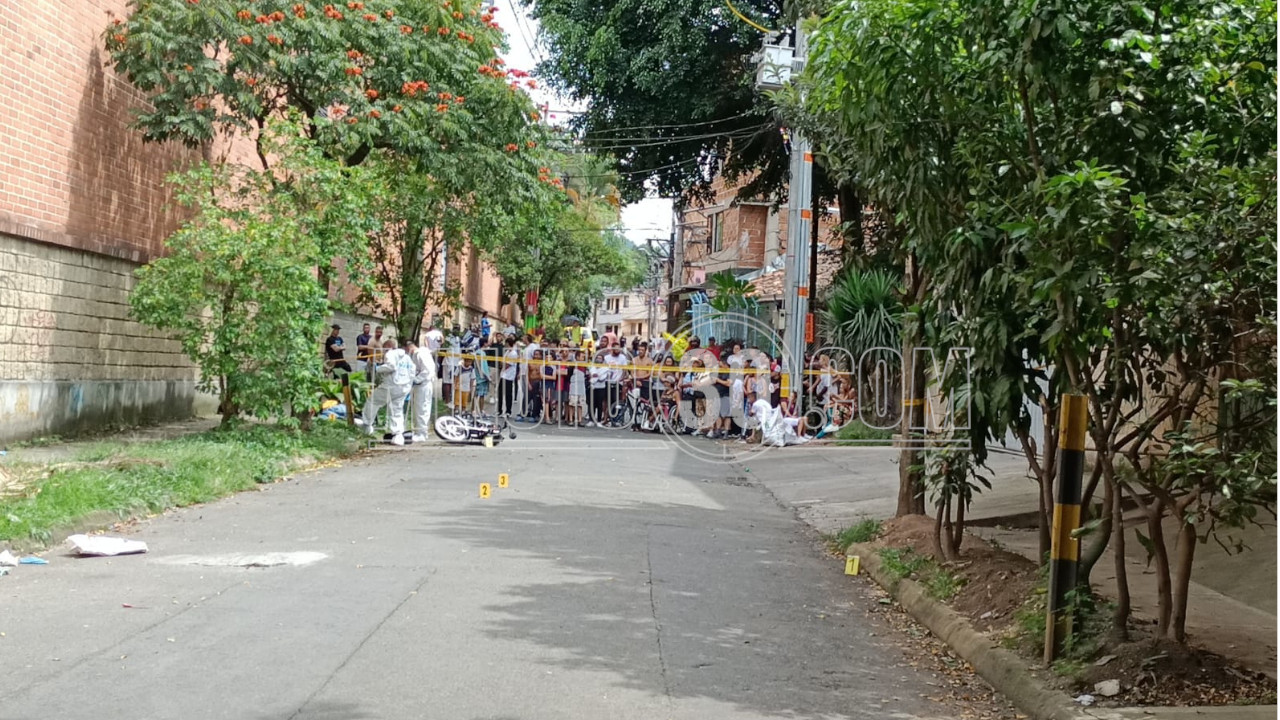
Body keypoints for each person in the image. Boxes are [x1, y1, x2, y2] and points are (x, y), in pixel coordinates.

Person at [361, 338, 414, 445]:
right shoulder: (407, 357)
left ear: (388, 347)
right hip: (403, 387)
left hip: (390, 386)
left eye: (384, 350)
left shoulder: (390, 354)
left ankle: (367, 426)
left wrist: (378, 369)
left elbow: (391, 367)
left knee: (373, 401)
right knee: (397, 410)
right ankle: (398, 436)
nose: (383, 353)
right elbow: (412, 371)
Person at [405, 339, 436, 442]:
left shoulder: (420, 354)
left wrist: (415, 379)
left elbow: (426, 371)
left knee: (421, 409)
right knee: (421, 409)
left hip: (423, 384)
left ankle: (421, 433)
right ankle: (421, 431)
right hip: (422, 385)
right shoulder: (420, 354)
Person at [603, 343, 628, 427]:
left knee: (616, 400)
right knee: (607, 401)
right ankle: (606, 419)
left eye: (618, 349)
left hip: (618, 383)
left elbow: (625, 370)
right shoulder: (607, 358)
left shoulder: (622, 358)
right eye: (615, 349)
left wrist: (622, 378)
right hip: (608, 381)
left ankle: (614, 418)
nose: (617, 350)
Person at [498, 337, 518, 417]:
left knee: (508, 394)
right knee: (500, 393)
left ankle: (508, 411)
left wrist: (503, 366)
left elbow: (508, 364)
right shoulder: (506, 352)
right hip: (503, 375)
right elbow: (502, 362)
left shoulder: (513, 353)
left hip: (509, 376)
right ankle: (499, 410)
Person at [568, 349, 588, 427]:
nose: (583, 358)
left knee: (580, 404)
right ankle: (570, 419)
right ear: (577, 357)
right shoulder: (573, 365)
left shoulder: (585, 366)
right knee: (572, 404)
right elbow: (569, 374)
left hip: (581, 387)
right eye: (582, 357)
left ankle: (580, 420)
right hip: (573, 387)